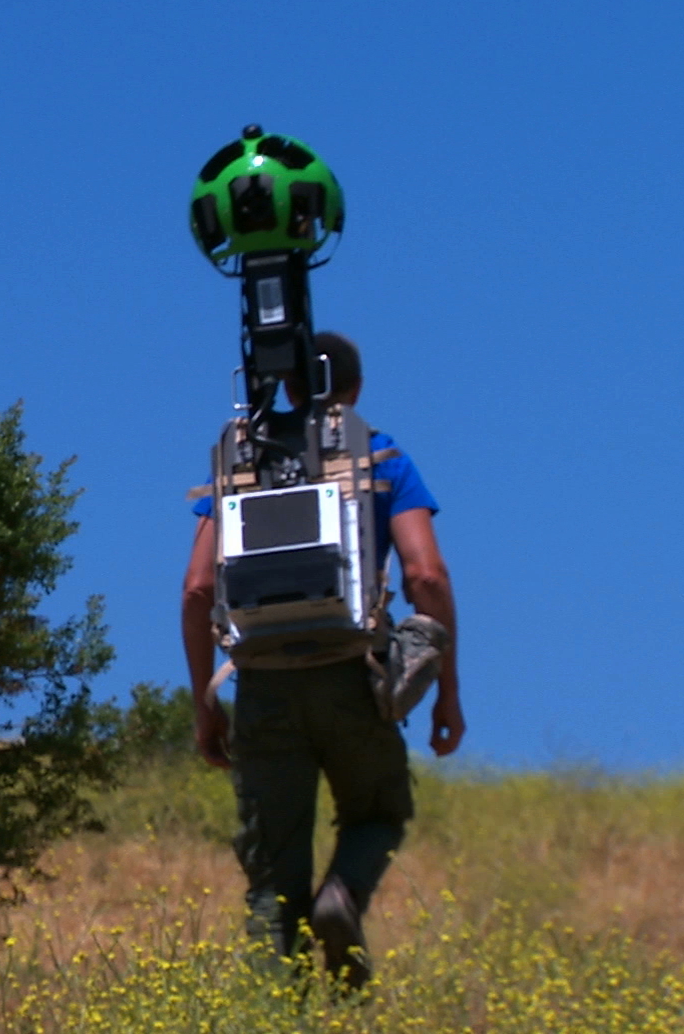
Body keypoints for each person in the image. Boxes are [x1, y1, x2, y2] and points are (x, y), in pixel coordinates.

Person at [181, 330, 462, 988]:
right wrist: (445, 691)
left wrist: (204, 705)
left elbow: (197, 588)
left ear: (287, 384)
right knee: (376, 814)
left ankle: (277, 1012)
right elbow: (427, 576)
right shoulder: (382, 458)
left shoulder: (238, 464)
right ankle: (342, 898)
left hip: (261, 684)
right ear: (355, 390)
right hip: (354, 675)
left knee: (271, 881)